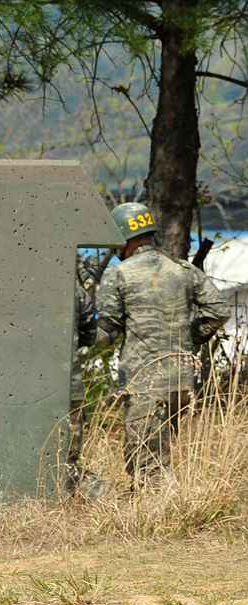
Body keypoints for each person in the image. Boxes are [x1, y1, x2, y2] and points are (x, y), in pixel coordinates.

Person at [95, 202, 228, 488]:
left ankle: (159, 517)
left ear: (121, 238)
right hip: (182, 379)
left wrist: (79, 335)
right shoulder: (181, 269)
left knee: (144, 459)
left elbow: (107, 332)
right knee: (162, 451)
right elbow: (218, 311)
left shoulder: (119, 273)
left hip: (145, 381)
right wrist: (189, 338)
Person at [63, 261, 109, 498]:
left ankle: (102, 494)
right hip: (69, 388)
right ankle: (102, 494)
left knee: (60, 465)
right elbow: (93, 334)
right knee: (65, 461)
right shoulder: (75, 291)